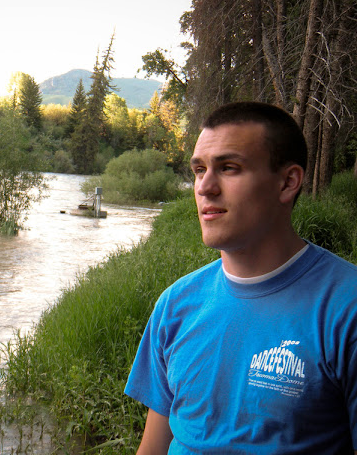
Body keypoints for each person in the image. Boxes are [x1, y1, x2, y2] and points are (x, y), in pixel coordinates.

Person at [125, 102, 357, 454]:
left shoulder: (346, 307)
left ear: (288, 182)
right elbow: (154, 446)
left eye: (228, 168)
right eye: (199, 170)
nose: (205, 187)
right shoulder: (175, 304)